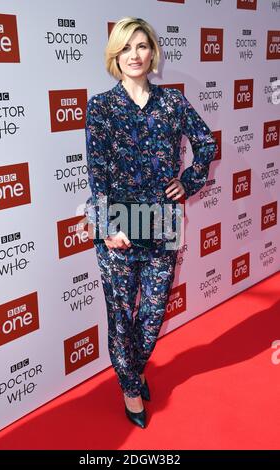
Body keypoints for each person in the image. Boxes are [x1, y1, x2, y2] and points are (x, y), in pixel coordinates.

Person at [84, 17, 217, 429]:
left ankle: (134, 369)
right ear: (115, 56)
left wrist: (189, 181)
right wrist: (108, 227)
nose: (135, 55)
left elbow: (207, 142)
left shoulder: (173, 103)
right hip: (118, 226)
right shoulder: (101, 107)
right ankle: (129, 388)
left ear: (152, 52)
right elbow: (97, 173)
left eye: (141, 46)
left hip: (162, 223)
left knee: (153, 313)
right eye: (126, 48)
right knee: (121, 316)